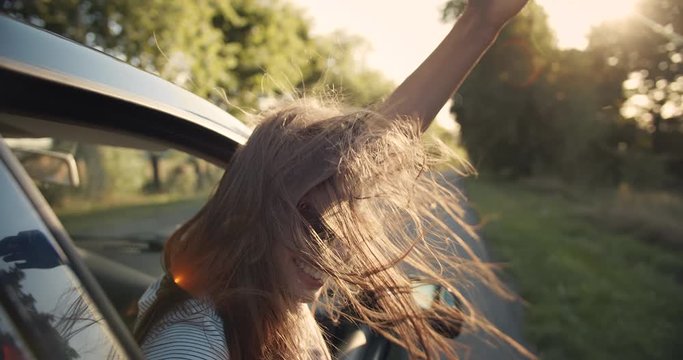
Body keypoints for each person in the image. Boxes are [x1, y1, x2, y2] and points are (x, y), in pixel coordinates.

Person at [134, 0, 531, 359]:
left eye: (339, 230)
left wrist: (480, 24)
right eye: (310, 221)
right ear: (253, 206)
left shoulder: (273, 292)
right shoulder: (192, 341)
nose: (330, 254)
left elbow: (387, 136)